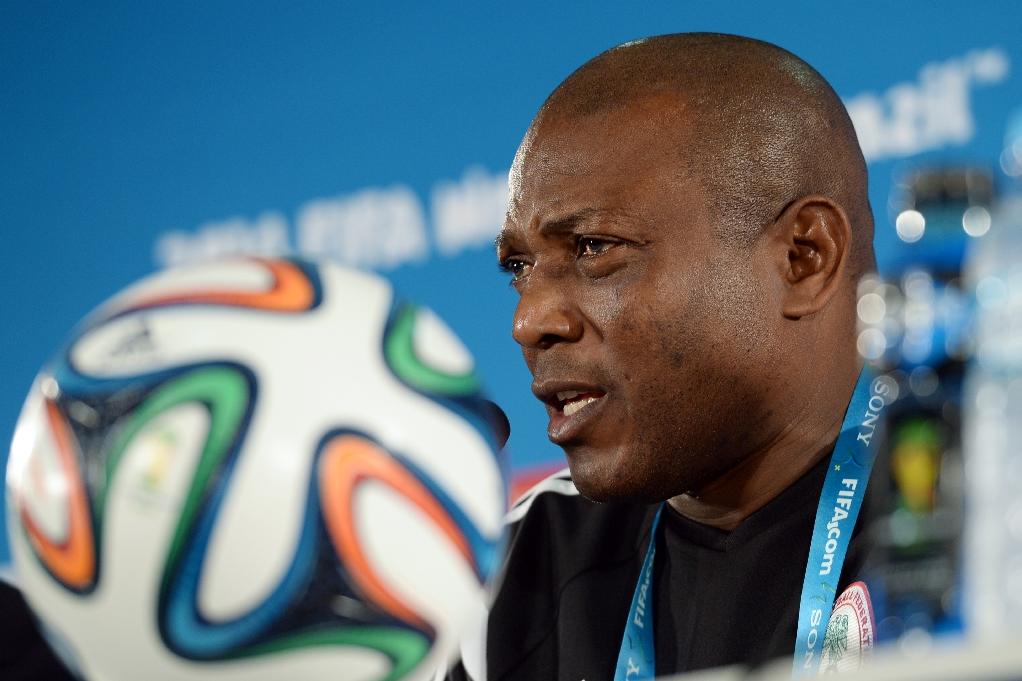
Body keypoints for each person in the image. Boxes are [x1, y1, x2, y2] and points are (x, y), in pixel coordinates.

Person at [443, 32, 878, 681]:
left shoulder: (987, 503)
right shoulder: (515, 574)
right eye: (519, 267)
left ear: (803, 258)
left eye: (593, 248)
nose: (529, 321)